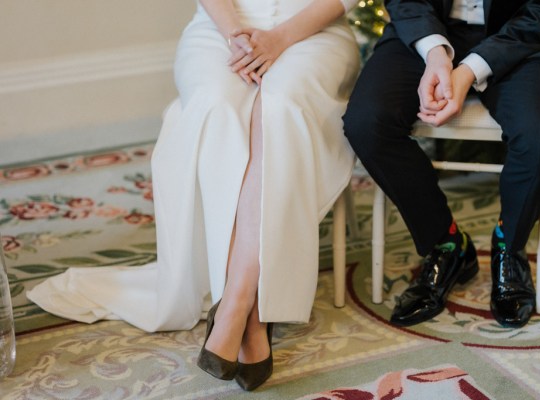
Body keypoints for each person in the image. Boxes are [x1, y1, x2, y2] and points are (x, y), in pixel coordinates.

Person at [27, 0, 360, 391]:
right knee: (216, 105)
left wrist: (279, 38)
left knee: (279, 106)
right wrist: (237, 35)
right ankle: (250, 312)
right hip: (222, 28)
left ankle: (237, 303)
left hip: (314, 32)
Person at [343, 0, 540, 328]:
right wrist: (435, 53)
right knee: (366, 123)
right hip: (429, 29)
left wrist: (469, 70)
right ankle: (447, 242)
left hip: (529, 32)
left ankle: (508, 244)